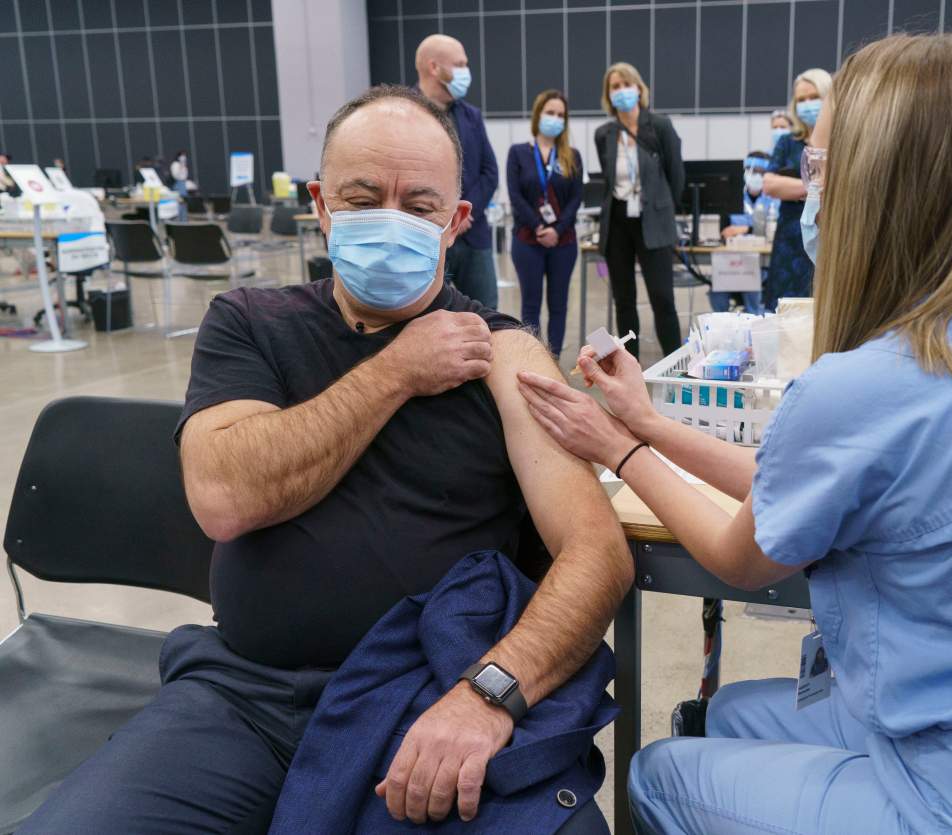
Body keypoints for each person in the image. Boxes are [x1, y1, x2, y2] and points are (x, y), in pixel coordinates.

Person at [517, 32, 952, 835]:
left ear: (878, 187)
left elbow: (740, 555)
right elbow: (797, 481)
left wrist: (617, 450)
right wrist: (648, 420)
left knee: (656, 769)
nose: (810, 193)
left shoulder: (868, 384)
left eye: (820, 170)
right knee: (730, 716)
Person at [20, 85, 631, 835]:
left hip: (428, 697)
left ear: (457, 223)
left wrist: (488, 694)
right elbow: (225, 494)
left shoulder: (503, 354)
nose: (390, 221)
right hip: (243, 698)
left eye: (418, 206)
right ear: (321, 205)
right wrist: (397, 369)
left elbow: (597, 551)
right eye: (363, 196)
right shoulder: (252, 324)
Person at [594, 61, 685, 361]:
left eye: (625, 84)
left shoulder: (659, 126)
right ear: (609, 95)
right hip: (618, 222)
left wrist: (662, 208)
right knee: (624, 301)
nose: (621, 91)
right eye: (614, 86)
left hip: (654, 220)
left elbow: (676, 177)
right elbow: (608, 180)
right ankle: (628, 367)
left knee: (662, 298)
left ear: (638, 88)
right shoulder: (604, 133)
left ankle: (676, 366)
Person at [415, 34, 500, 310]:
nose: (466, 72)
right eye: (460, 64)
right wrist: (444, 213)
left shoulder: (471, 115)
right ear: (434, 67)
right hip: (426, 234)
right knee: (422, 315)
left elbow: (490, 170)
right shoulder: (402, 112)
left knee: (486, 313)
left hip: (472, 233)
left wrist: (462, 211)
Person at [506, 89, 583, 359]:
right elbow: (515, 195)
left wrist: (557, 229)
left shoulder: (571, 156)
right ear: (539, 115)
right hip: (527, 241)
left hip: (564, 243)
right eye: (550, 113)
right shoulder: (518, 153)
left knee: (559, 305)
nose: (555, 118)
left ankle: (554, 360)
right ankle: (534, 360)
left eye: (561, 115)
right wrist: (539, 226)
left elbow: (575, 199)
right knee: (530, 305)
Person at [762, 68, 832, 307]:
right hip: (789, 242)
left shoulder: (844, 142)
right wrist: (818, 187)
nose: (807, 104)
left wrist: (792, 187)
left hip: (828, 239)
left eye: (814, 97)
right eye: (801, 100)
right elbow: (770, 184)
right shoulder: (787, 142)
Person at [712, 151, 778, 314]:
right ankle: (721, 323)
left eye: (758, 172)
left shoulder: (775, 197)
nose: (752, 175)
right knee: (716, 286)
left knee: (752, 279)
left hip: (762, 260)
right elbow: (724, 231)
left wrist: (744, 229)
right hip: (732, 258)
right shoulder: (732, 196)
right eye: (749, 170)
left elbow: (774, 228)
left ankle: (754, 319)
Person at [169, 150, 189, 220]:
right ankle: (178, 220)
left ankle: (184, 219)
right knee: (178, 203)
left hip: (183, 184)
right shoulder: (175, 164)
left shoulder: (184, 165)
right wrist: (180, 166)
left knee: (184, 203)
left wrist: (183, 165)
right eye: (182, 155)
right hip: (178, 184)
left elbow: (185, 175)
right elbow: (176, 175)